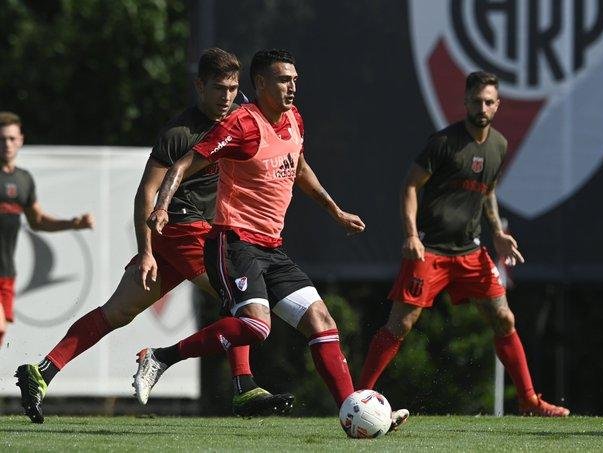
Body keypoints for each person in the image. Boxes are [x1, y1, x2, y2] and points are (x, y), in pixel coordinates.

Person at [14, 48, 293, 424]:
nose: (226, 96)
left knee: (118, 311)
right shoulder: (180, 133)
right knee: (240, 299)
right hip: (183, 229)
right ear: (199, 86)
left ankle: (43, 372)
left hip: (195, 235)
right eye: (217, 88)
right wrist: (145, 251)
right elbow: (146, 193)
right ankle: (243, 387)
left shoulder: (244, 114)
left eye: (231, 88)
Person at [136, 49, 408, 431]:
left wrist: (335, 210)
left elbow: (297, 165)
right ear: (260, 83)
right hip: (232, 243)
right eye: (283, 79)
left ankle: (354, 413)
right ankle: (161, 357)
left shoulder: (294, 118)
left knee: (321, 321)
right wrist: (162, 208)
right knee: (256, 326)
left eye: (295, 79)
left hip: (271, 247)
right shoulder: (241, 125)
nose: (292, 86)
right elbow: (182, 164)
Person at [358, 71, 570, 417]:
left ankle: (529, 401)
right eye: (476, 101)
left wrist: (497, 233)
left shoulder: (499, 145)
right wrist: (411, 235)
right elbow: (410, 186)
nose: (482, 107)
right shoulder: (444, 142)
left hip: (471, 251)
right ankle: (359, 398)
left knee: (504, 319)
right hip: (431, 250)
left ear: (497, 105)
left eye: (489, 102)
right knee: (401, 324)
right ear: (465, 102)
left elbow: (487, 192)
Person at [0, 111, 94, 352]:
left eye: (11, 138)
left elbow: (38, 221)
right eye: (2, 139)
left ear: (21, 140)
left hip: (6, 273)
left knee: (1, 333)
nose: (7, 144)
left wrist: (74, 223)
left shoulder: (23, 180)